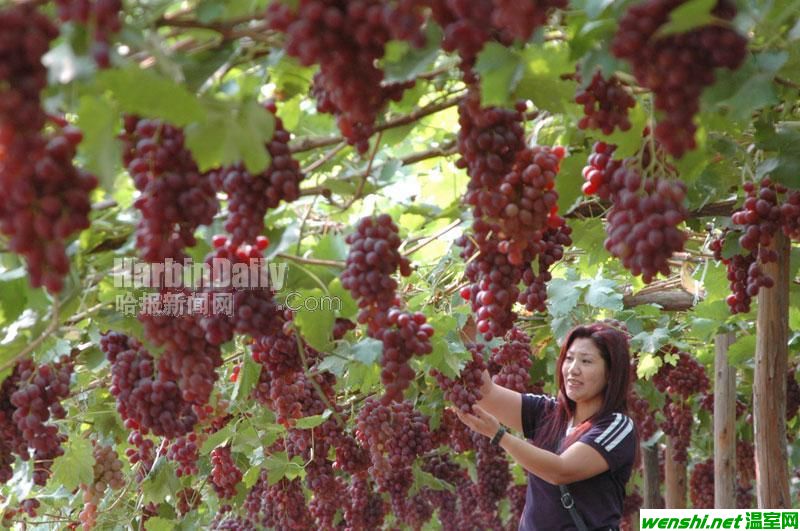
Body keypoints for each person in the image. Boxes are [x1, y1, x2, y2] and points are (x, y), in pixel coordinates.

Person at [454, 322, 638, 531]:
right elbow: (487, 393)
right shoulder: (548, 411)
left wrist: (499, 435)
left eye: (586, 361)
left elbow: (560, 470)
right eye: (569, 359)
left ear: (611, 373)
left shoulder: (616, 426)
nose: (573, 369)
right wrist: (464, 336)